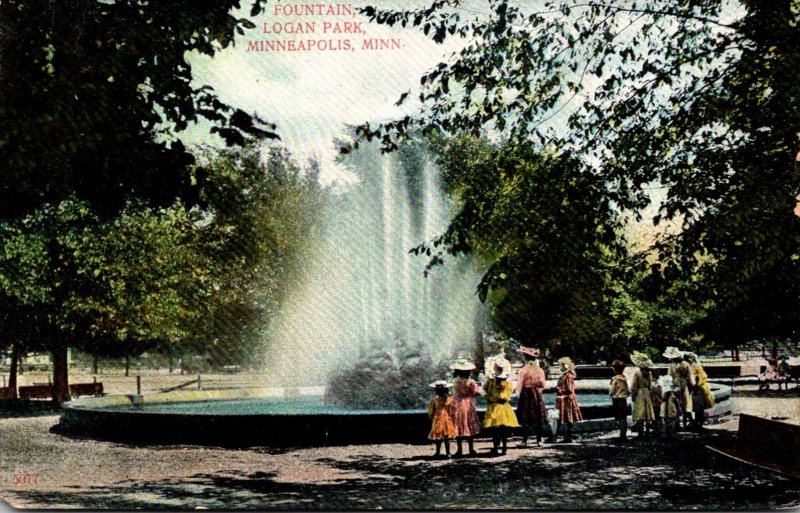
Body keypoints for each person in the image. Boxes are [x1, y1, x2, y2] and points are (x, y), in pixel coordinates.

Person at [482, 366, 520, 455]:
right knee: (498, 430)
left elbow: (504, 397)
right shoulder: (492, 383)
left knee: (499, 429)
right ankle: (501, 448)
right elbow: (485, 392)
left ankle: (501, 447)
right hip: (500, 407)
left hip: (498, 407)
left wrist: (491, 397)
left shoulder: (504, 385)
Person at [515, 347, 547, 447]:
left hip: (526, 394)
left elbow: (519, 384)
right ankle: (539, 440)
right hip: (536, 393)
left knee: (526, 417)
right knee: (538, 416)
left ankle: (524, 441)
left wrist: (519, 395)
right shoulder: (539, 370)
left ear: (525, 358)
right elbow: (543, 384)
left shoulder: (523, 370)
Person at [450, 359, 481, 457]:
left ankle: (459, 450)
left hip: (457, 404)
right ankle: (471, 449)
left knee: (459, 426)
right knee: (469, 425)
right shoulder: (471, 382)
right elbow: (475, 393)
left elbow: (453, 392)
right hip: (468, 404)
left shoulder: (454, 381)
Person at [552, 356, 582, 443]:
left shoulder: (568, 376)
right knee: (566, 418)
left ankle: (558, 436)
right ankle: (562, 436)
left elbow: (569, 389)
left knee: (565, 418)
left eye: (560, 365)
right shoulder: (566, 375)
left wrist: (559, 389)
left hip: (566, 399)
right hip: (565, 399)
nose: (559, 367)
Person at [684, 352, 714, 432]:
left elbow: (702, 377)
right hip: (693, 388)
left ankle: (699, 424)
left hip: (699, 389)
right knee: (695, 408)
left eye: (689, 358)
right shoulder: (688, 366)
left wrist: (696, 385)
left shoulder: (697, 366)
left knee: (699, 408)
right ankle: (695, 423)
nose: (688, 360)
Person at [664, 346, 693, 429]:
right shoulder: (686, 364)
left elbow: (669, 377)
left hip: (675, 385)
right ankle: (689, 422)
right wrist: (691, 385)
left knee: (677, 404)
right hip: (684, 384)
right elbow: (690, 376)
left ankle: (677, 423)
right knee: (686, 404)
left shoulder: (672, 366)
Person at [427, 380, 457, 458]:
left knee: (438, 437)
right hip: (447, 418)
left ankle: (438, 452)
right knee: (446, 437)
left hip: (438, 418)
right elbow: (453, 409)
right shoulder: (449, 399)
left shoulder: (435, 399)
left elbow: (431, 410)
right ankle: (448, 453)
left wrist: (431, 417)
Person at [630, 351, 655, 439]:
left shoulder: (637, 373)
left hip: (639, 393)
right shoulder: (649, 373)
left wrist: (633, 396)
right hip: (647, 393)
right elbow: (650, 386)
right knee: (647, 413)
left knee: (640, 413)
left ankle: (640, 433)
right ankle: (647, 431)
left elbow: (634, 386)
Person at [609, 359, 630, 442]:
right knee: (623, 417)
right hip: (623, 399)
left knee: (618, 417)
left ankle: (621, 434)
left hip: (617, 399)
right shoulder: (624, 378)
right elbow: (627, 390)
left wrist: (611, 394)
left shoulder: (614, 379)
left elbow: (611, 390)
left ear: (615, 369)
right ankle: (623, 434)